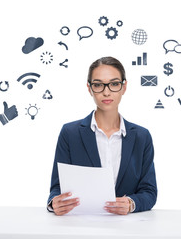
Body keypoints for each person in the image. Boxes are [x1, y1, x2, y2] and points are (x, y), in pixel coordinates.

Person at [47, 56, 157, 216]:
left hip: (129, 229)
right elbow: (57, 187)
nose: (106, 92)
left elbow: (149, 192)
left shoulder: (142, 136)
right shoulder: (70, 133)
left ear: (124, 87)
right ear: (89, 88)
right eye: (98, 85)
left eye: (114, 84)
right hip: (79, 226)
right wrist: (54, 203)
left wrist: (131, 204)